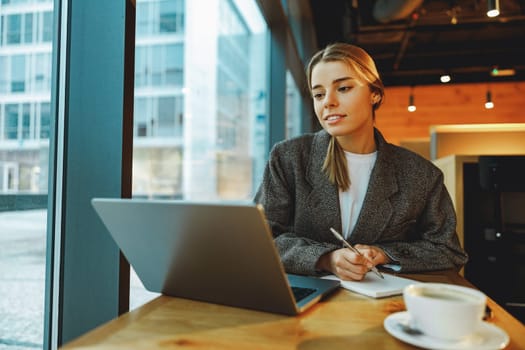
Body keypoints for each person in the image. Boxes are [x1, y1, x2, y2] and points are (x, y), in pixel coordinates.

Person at [254, 42, 468, 281]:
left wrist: (385, 254)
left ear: (374, 94)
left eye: (343, 88)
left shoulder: (421, 174)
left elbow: (448, 251)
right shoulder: (288, 158)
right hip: (306, 301)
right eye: (318, 94)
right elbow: (260, 240)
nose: (328, 102)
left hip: (383, 306)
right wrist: (327, 258)